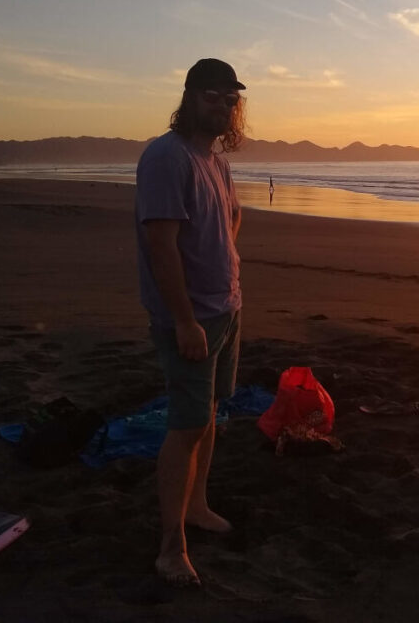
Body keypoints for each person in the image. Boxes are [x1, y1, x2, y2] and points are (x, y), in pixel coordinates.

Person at [134, 58, 247, 587]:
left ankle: (197, 507)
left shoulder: (215, 161)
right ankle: (169, 547)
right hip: (192, 317)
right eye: (212, 97)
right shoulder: (166, 156)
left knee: (210, 416)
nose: (223, 107)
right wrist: (184, 321)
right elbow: (161, 244)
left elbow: (228, 223)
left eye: (230, 100)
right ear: (188, 97)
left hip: (226, 307)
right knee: (185, 425)